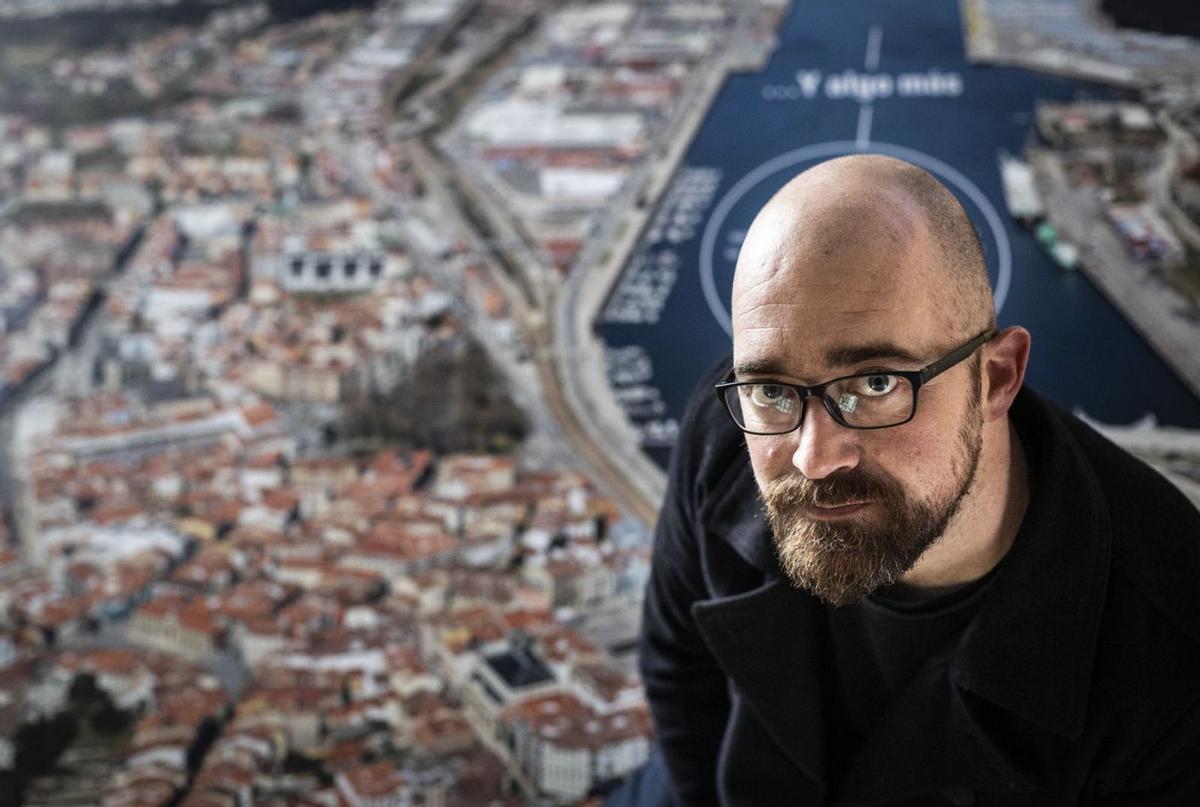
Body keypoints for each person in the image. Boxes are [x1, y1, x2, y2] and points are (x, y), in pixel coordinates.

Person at [637, 155, 1200, 806]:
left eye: (875, 383)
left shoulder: (1174, 650)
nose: (814, 457)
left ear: (995, 378)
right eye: (770, 387)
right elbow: (677, 669)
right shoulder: (726, 432)